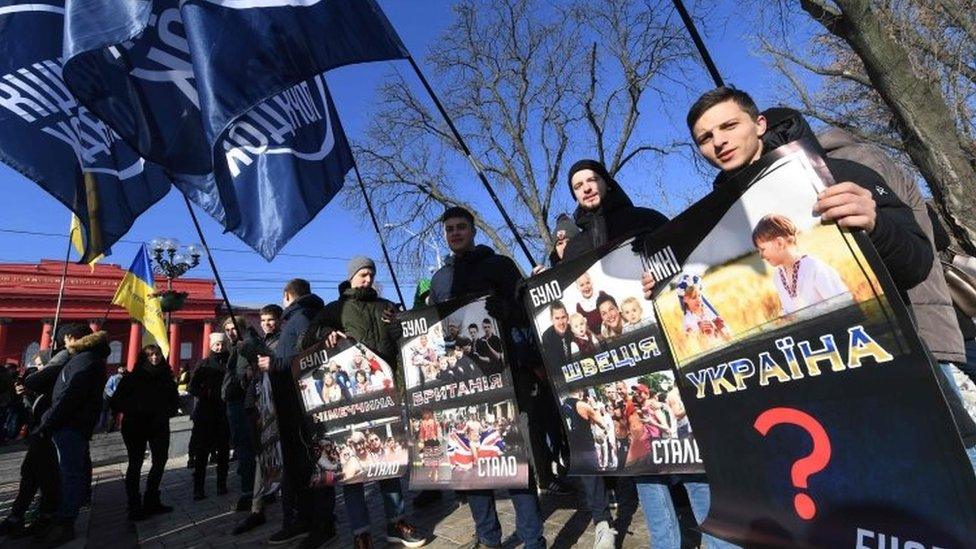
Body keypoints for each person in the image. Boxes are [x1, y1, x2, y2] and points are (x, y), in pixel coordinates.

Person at [561, 158, 670, 549]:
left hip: (658, 343)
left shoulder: (644, 218)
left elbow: (678, 260)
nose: (587, 188)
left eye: (592, 180)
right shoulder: (572, 247)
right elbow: (567, 301)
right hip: (610, 365)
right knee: (643, 457)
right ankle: (664, 538)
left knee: (683, 454)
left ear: (606, 183)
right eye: (578, 185)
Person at [427, 206, 546, 549]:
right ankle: (488, 538)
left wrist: (507, 311)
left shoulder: (499, 265)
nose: (455, 233)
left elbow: (528, 310)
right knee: (471, 469)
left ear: (473, 229)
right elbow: (435, 332)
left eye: (461, 226)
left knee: (514, 463)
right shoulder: (439, 280)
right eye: (449, 228)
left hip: (506, 378)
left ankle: (532, 538)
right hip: (461, 386)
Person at [304, 256, 428, 548]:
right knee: (354, 470)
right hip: (349, 401)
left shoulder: (386, 306)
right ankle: (361, 532)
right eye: (362, 274)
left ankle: (396, 523)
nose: (367, 279)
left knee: (389, 461)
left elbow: (403, 343)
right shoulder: (336, 309)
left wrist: (399, 328)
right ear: (351, 278)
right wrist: (325, 334)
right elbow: (307, 339)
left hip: (384, 394)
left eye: (371, 274)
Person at [257, 279, 337, 548]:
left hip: (302, 405)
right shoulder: (299, 316)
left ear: (287, 295)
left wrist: (274, 362)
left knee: (314, 464)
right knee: (300, 467)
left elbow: (310, 356)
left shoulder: (300, 316)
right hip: (293, 404)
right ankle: (304, 520)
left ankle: (323, 525)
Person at [34, 324, 108, 546]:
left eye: (63, 340)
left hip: (70, 425)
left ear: (70, 338)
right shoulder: (88, 359)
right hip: (74, 424)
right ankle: (60, 518)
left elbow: (68, 397)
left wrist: (48, 421)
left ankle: (64, 522)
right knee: (71, 472)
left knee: (69, 475)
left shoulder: (83, 360)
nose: (62, 345)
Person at [0, 345, 69, 538]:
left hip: (46, 439)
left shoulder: (54, 387)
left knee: (47, 479)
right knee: (29, 476)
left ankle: (45, 516)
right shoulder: (36, 386)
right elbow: (29, 414)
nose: (38, 369)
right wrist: (24, 396)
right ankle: (17, 516)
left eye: (41, 365)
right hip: (37, 439)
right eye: (37, 365)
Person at [110, 344, 178, 520]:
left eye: (158, 354)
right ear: (144, 357)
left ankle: (151, 499)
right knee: (135, 463)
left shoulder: (166, 377)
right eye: (151, 355)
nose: (155, 358)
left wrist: (166, 411)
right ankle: (134, 505)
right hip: (135, 425)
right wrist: (137, 409)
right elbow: (116, 402)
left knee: (160, 461)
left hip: (158, 425)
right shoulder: (132, 378)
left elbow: (174, 400)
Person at [233, 304, 283, 536]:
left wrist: (271, 365)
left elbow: (286, 368)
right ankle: (256, 509)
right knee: (261, 457)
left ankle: (289, 509)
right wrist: (249, 373)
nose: (266, 324)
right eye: (263, 320)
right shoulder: (258, 343)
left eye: (271, 319)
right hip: (257, 405)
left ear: (279, 320)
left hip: (278, 407)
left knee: (277, 455)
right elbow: (243, 378)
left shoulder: (283, 341)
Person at [751, 213, 851, 315]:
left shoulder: (813, 267)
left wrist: (804, 316)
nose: (761, 255)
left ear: (779, 243)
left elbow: (843, 303)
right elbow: (790, 309)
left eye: (762, 249)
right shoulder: (778, 276)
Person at [189, 333, 231, 501]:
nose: (219, 347)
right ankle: (198, 488)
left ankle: (221, 484)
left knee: (223, 450)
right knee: (202, 452)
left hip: (223, 412)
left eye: (222, 344)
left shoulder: (230, 362)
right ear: (211, 345)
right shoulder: (203, 363)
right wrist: (205, 392)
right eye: (217, 345)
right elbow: (192, 387)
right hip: (205, 412)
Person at [541, 300, 573, 365]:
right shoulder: (547, 337)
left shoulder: (573, 329)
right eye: (557, 318)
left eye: (563, 317)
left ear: (567, 316)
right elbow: (553, 363)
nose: (561, 322)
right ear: (551, 319)